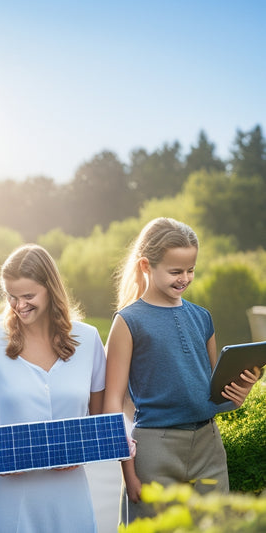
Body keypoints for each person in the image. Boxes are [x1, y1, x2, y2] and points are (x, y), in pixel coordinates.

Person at [103, 217, 260, 524]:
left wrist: (237, 394)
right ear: (147, 266)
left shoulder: (203, 318)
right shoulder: (128, 322)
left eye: (191, 270)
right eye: (175, 271)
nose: (184, 278)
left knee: (217, 528)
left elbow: (210, 390)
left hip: (208, 445)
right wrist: (128, 471)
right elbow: (112, 405)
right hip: (153, 449)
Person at [0, 244, 106, 533]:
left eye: (29, 296)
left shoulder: (89, 340)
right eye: (11, 296)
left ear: (51, 290)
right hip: (11, 500)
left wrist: (84, 448)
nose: (19, 305)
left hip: (71, 498)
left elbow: (99, 423)